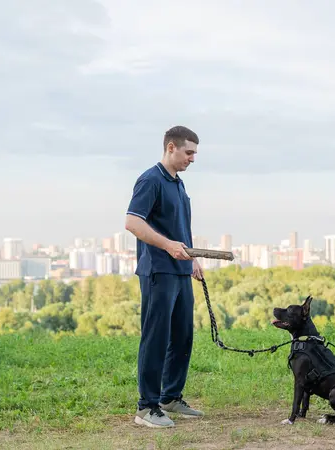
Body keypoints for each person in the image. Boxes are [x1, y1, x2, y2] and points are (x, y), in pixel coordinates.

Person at [125, 125, 205, 428]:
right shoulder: (150, 180)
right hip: (158, 270)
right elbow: (132, 222)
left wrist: (193, 258)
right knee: (156, 338)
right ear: (171, 147)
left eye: (195, 153)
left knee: (183, 336)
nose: (193, 158)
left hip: (182, 270)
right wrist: (169, 246)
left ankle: (170, 397)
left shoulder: (178, 184)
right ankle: (146, 408)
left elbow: (180, 228)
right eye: (189, 152)